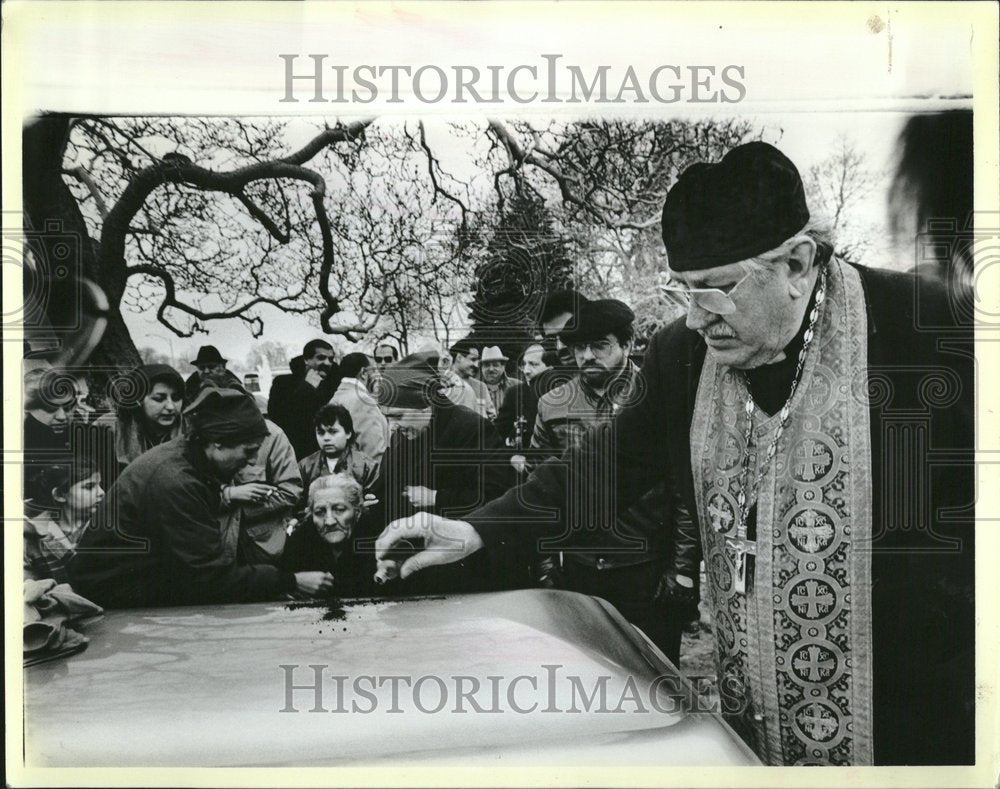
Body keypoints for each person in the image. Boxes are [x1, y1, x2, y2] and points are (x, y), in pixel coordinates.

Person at [376, 142, 974, 766]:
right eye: (683, 290)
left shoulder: (927, 327)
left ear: (798, 264)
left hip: (915, 720)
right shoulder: (683, 357)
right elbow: (604, 468)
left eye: (715, 291)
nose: (694, 317)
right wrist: (476, 530)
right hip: (755, 715)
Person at [526, 297, 694, 662]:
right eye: (579, 347)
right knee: (589, 675)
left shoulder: (658, 397)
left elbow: (685, 490)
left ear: (627, 345)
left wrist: (682, 569)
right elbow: (538, 490)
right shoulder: (553, 404)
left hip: (645, 569)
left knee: (656, 678)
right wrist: (546, 567)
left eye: (600, 345)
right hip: (581, 571)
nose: (587, 356)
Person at [70, 386, 335, 608]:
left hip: (133, 585)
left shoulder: (188, 461)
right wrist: (290, 581)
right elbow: (208, 577)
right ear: (217, 442)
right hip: (118, 598)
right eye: (248, 450)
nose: (253, 460)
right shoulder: (176, 481)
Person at [374, 351, 513, 526]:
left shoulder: (472, 429)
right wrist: (372, 500)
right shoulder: (401, 436)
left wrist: (436, 497)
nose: (392, 425)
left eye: (398, 416)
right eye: (387, 417)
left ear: (426, 406)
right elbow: (387, 482)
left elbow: (496, 492)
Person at [193, 372, 303, 562]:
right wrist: (228, 495)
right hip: (215, 546)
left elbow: (290, 490)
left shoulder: (273, 436)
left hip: (263, 545)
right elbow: (191, 494)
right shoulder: (199, 440)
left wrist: (238, 511)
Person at [280, 474, 377, 596]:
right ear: (311, 515)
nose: (329, 521)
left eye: (340, 509)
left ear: (357, 512)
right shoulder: (299, 542)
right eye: (320, 512)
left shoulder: (376, 539)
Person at [94, 364, 185, 477]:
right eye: (159, 399)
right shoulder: (111, 429)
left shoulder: (190, 429)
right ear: (138, 400)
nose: (171, 407)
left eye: (176, 398)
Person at [24, 459, 105, 584]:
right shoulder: (33, 534)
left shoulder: (105, 528)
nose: (101, 492)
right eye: (89, 487)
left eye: (99, 485)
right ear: (60, 495)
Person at [267, 339, 342, 459]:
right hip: (293, 454)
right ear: (306, 359)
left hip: (326, 454)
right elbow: (278, 418)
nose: (327, 363)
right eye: (321, 357)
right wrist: (307, 388)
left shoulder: (334, 385)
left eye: (331, 359)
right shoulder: (283, 383)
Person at [298, 403, 380, 497]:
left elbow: (373, 502)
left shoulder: (367, 466)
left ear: (348, 433)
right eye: (321, 433)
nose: (326, 438)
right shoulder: (305, 466)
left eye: (333, 432)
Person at [23, 368, 74, 501]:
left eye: (68, 408)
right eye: (50, 408)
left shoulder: (78, 437)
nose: (62, 416)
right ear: (28, 408)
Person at [329, 352, 389, 464]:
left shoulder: (334, 398)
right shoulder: (363, 402)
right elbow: (373, 454)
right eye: (374, 371)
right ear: (364, 373)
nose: (378, 376)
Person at [440, 337, 495, 420]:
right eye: (473, 359)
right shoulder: (441, 384)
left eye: (478, 361)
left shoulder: (481, 387)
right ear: (459, 357)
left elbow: (492, 418)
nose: (476, 365)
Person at [478, 346, 517, 416]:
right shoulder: (474, 387)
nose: (491, 369)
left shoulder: (517, 386)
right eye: (487, 365)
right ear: (481, 368)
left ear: (503, 367)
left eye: (495, 365)